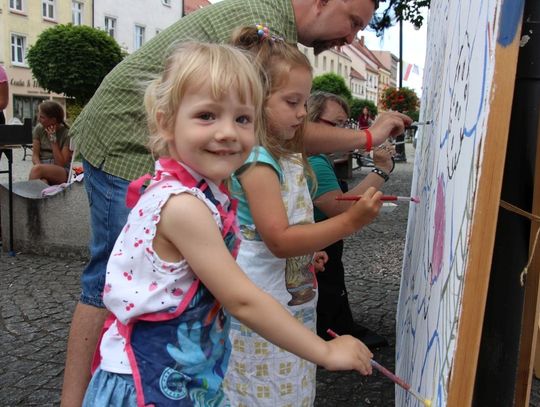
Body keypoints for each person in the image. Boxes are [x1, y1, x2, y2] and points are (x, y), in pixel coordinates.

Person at [62, 1, 411, 404]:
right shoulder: (183, 206)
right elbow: (242, 299)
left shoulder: (205, 192)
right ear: (163, 122)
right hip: (152, 385)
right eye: (207, 116)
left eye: (243, 120)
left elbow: (225, 258)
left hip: (186, 372)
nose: (228, 133)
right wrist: (326, 351)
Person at [222, 26, 382, 406]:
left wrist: (306, 254)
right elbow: (277, 239)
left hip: (289, 301)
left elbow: (282, 235)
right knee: (264, 395)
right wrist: (348, 223)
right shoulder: (258, 161)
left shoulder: (286, 156)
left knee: (291, 386)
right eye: (292, 101)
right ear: (255, 101)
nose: (301, 113)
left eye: (304, 102)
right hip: (262, 309)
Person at [307, 91, 394, 346]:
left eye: (346, 124)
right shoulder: (315, 161)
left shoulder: (319, 157)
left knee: (332, 291)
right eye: (336, 124)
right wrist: (381, 170)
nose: (342, 131)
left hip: (320, 244)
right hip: (320, 242)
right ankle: (333, 337)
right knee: (326, 295)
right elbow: (341, 208)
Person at [29, 101, 72, 185]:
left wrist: (53, 140)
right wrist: (41, 170)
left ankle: (26, 198)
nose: (38, 119)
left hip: (61, 171)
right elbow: (35, 155)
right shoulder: (39, 129)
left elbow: (61, 164)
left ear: (53, 120)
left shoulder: (67, 134)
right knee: (42, 182)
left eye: (42, 117)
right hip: (41, 166)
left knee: (36, 170)